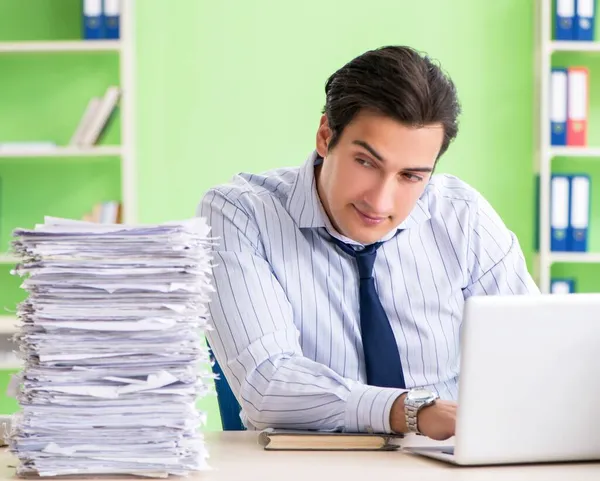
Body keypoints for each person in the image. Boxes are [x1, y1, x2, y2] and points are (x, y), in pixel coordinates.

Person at [198, 45, 539, 441]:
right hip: (310, 466)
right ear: (326, 136)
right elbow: (267, 384)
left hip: (446, 460)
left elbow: (533, 352)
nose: (380, 201)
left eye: (411, 176)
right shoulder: (240, 214)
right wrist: (412, 412)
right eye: (366, 163)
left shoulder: (461, 216)